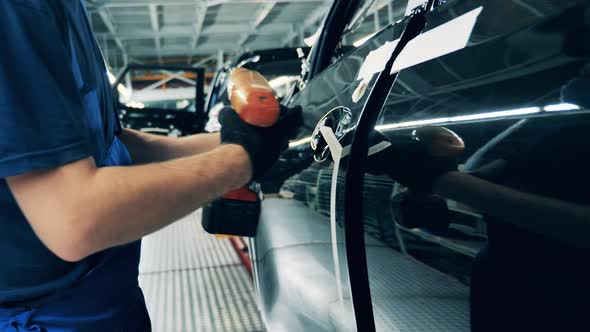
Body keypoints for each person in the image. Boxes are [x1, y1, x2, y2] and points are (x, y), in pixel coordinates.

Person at [0, 1, 300, 331]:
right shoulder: (16, 11)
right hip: (46, 315)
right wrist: (241, 161)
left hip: (102, 297)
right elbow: (74, 219)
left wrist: (231, 141)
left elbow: (110, 144)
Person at [372, 111, 590, 330]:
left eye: (586, 73)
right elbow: (486, 178)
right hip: (503, 273)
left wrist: (435, 179)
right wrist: (426, 187)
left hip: (564, 289)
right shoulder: (563, 129)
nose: (583, 73)